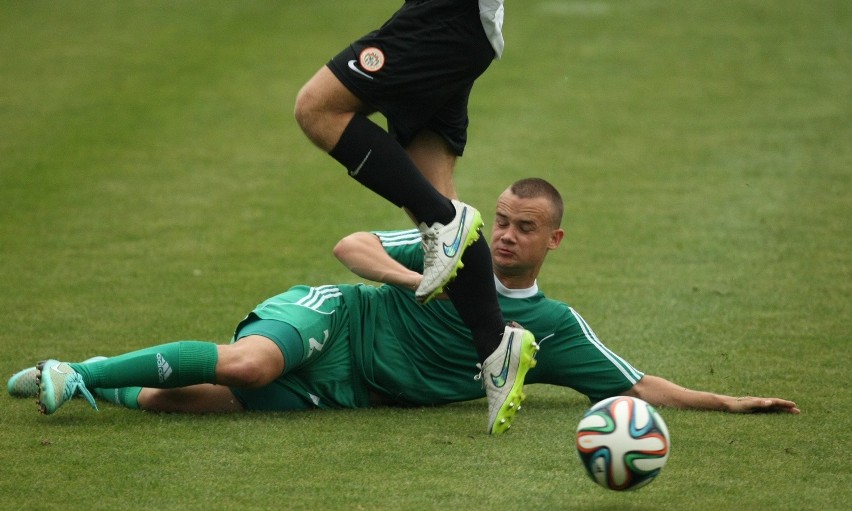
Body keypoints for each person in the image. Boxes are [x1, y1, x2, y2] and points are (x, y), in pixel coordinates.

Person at [7, 179, 800, 433]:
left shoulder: (550, 329)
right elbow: (350, 243)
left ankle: (91, 381)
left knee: (176, 401)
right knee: (251, 360)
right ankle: (75, 368)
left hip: (353, 387)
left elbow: (633, 384)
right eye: (506, 223)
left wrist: (726, 399)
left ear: (555, 241)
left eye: (528, 229)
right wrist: (414, 274)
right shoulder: (457, 236)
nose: (509, 237)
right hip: (334, 316)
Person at [292, 0, 531, 433]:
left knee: (318, 108)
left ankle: (443, 222)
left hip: (449, 15)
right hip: (459, 26)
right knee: (432, 189)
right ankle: (497, 349)